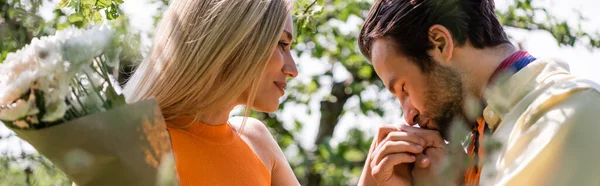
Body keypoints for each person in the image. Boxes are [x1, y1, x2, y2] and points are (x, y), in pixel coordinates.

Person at [356, 0, 600, 185]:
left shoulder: (565, 113)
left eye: (403, 88)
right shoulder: (482, 143)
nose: (408, 116)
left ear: (440, 43)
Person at [123, 0, 300, 185]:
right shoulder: (138, 148)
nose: (293, 70)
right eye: (282, 43)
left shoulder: (257, 141)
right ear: (234, 39)